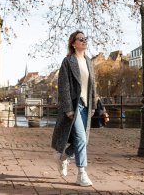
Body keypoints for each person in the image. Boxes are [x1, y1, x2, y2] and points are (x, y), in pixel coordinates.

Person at [51, 30, 96, 187]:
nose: (84, 41)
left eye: (85, 38)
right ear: (73, 43)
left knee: (83, 140)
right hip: (74, 106)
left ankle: (65, 156)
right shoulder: (68, 61)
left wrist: (93, 105)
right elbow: (63, 86)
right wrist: (68, 108)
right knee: (81, 139)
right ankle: (81, 174)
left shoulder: (89, 61)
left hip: (85, 105)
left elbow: (92, 85)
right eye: (80, 39)